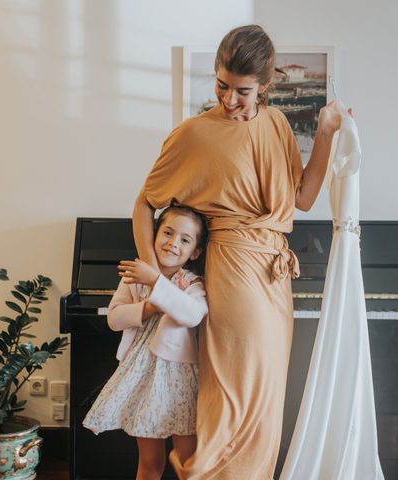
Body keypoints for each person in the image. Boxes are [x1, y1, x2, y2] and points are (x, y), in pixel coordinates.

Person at [133, 25, 350, 479]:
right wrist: (155, 279)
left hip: (274, 273)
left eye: (243, 91)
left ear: (266, 85)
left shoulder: (275, 123)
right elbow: (144, 203)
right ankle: (204, 470)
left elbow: (302, 200)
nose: (230, 100)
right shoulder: (193, 134)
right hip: (234, 268)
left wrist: (326, 132)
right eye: (222, 86)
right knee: (237, 394)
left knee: (266, 396)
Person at [83, 205, 209, 480]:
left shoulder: (192, 283)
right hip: (142, 378)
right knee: (150, 462)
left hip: (180, 381)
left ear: (195, 252)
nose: (173, 243)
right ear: (153, 234)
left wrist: (155, 282)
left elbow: (193, 314)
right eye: (168, 232)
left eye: (185, 240)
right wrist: (149, 307)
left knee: (188, 462)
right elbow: (114, 319)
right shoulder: (135, 277)